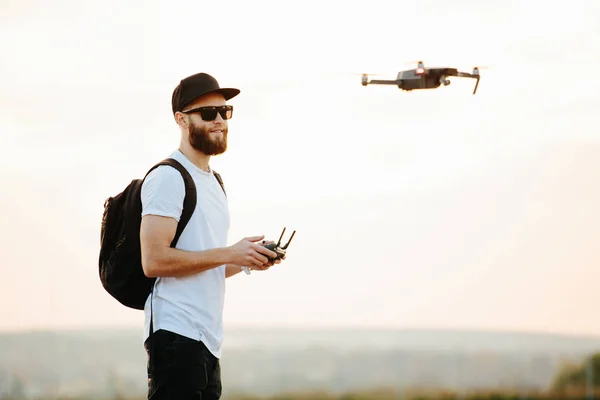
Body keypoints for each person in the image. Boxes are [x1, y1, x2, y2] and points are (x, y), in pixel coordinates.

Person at [139, 72, 283, 400]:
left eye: (224, 112)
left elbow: (207, 262)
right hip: (175, 335)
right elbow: (154, 260)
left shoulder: (214, 182)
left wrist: (247, 259)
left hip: (208, 341)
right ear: (181, 119)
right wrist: (229, 253)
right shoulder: (168, 178)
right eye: (208, 113)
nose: (219, 120)